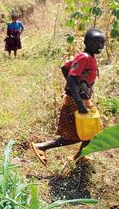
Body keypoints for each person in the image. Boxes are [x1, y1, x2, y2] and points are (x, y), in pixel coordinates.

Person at [32, 28, 106, 166]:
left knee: (91, 129)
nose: (100, 46)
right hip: (75, 101)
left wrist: (79, 92)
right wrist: (78, 101)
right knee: (79, 134)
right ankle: (42, 146)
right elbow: (71, 78)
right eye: (96, 42)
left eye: (102, 43)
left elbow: (65, 67)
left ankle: (80, 156)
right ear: (86, 42)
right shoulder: (84, 57)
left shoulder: (88, 57)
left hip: (81, 99)